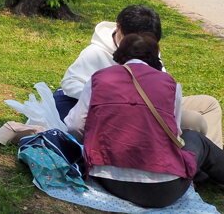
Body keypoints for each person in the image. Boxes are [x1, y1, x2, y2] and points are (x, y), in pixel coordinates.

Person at [65, 33, 224, 208]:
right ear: (156, 58)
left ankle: (203, 174)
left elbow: (74, 126)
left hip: (107, 179)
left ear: (119, 54)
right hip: (162, 191)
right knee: (195, 139)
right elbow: (174, 134)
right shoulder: (169, 84)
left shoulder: (98, 79)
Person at [56, 5, 223, 148]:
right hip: (125, 112)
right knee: (194, 120)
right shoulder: (96, 53)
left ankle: (213, 155)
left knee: (209, 104)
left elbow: (163, 84)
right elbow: (69, 83)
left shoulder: (148, 49)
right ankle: (196, 160)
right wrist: (111, 98)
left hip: (153, 104)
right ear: (119, 28)